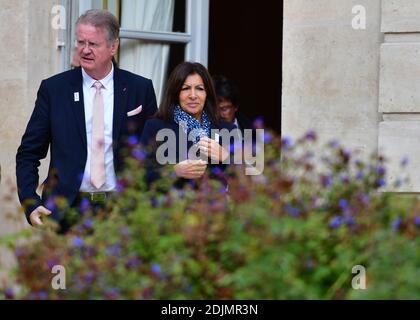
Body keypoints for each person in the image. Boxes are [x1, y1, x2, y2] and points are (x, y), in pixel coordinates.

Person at [16, 9, 158, 232]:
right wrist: (30, 202)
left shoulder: (140, 89)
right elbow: (28, 153)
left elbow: (153, 153)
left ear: (113, 47)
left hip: (123, 212)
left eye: (93, 43)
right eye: (80, 42)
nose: (85, 50)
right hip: (66, 212)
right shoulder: (54, 90)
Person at [140, 62, 235, 188]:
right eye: (185, 89)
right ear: (176, 93)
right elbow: (140, 175)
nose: (193, 95)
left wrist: (226, 157)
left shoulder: (226, 129)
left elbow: (251, 178)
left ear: (207, 94)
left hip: (214, 205)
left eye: (200, 89)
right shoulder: (156, 127)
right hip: (171, 205)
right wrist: (174, 172)